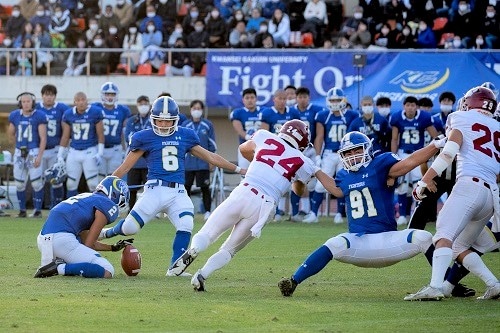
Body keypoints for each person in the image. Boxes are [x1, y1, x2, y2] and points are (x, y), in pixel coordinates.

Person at [168, 120, 332, 291]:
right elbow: (299, 191)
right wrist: (291, 177)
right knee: (229, 249)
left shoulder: (264, 136)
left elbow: (244, 149)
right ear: (303, 142)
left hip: (245, 191)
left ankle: (194, 249)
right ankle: (202, 274)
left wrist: (262, 162)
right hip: (264, 206)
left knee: (208, 233)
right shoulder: (303, 160)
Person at [278, 131, 446, 297]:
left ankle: (447, 284)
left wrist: (434, 146)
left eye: (357, 150)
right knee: (334, 243)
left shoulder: (380, 164)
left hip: (389, 241)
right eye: (348, 152)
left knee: (423, 237)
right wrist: (316, 170)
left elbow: (409, 162)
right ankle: (293, 281)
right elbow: (336, 190)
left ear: (367, 149)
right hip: (359, 244)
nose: (353, 155)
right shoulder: (344, 175)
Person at [99, 96, 245, 277]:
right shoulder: (143, 137)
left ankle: (174, 268)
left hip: (178, 191)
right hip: (154, 190)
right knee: (130, 228)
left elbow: (211, 157)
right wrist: (105, 186)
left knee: (186, 224)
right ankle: (107, 233)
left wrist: (240, 169)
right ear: (153, 119)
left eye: (168, 121)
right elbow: (126, 166)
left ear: (175, 120)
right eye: (159, 120)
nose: (163, 124)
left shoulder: (186, 135)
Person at [405, 86, 500, 301]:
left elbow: (448, 153)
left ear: (471, 102)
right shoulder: (497, 127)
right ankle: (493, 284)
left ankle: (435, 287)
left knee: (442, 236)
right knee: (459, 247)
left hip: (469, 185)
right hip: (491, 195)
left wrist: (425, 179)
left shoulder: (460, 118)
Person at [33, 175, 133, 279]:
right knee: (107, 270)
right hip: (62, 240)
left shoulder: (87, 198)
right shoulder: (107, 204)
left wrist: (112, 248)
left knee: (79, 245)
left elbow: (85, 239)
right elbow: (89, 245)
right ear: (115, 194)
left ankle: (58, 263)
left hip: (44, 240)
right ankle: (58, 268)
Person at [303, 87, 358, 223]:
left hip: (345, 154)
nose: (334, 103)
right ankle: (314, 214)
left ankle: (340, 214)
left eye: (337, 100)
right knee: (321, 185)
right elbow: (319, 137)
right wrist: (317, 155)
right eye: (332, 100)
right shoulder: (323, 115)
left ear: (343, 100)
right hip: (328, 153)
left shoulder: (352, 115)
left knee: (342, 183)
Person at [390, 96, 438, 225]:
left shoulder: (424, 117)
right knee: (402, 185)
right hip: (403, 153)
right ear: (403, 106)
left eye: (413, 105)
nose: (410, 108)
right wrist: (393, 156)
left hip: (418, 155)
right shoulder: (397, 117)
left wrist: (429, 152)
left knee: (419, 185)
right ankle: (401, 214)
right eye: (408, 105)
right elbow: (394, 139)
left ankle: (415, 214)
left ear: (416, 107)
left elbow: (436, 137)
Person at [56, 92, 105, 198]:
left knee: (93, 183)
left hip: (90, 150)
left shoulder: (95, 112)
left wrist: (100, 153)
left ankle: (95, 209)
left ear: (87, 101)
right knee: (71, 184)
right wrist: (60, 155)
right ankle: (70, 210)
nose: (81, 102)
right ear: (74, 102)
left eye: (83, 100)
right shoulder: (69, 114)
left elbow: (100, 134)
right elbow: (65, 136)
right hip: (73, 151)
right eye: (78, 100)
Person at [8, 92, 47, 218]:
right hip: (20, 152)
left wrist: (39, 156)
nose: (26, 104)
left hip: (33, 151)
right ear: (20, 103)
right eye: (23, 102)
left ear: (33, 102)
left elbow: (43, 138)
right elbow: (11, 134)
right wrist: (17, 148)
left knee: (36, 183)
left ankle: (37, 210)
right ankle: (22, 210)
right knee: (19, 183)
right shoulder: (14, 115)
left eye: (28, 101)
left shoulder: (39, 116)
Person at [182, 100, 216, 222]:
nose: (196, 110)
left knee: (205, 188)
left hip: (203, 163)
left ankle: (207, 211)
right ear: (191, 110)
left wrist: (212, 161)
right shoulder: (185, 125)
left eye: (199, 108)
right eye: (194, 108)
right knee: (186, 188)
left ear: (202, 110)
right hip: (188, 164)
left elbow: (212, 144)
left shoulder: (207, 125)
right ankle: (185, 210)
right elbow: (181, 144)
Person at [36, 84, 69, 209]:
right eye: (46, 95)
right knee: (38, 180)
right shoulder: (36, 107)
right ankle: (37, 209)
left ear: (55, 96)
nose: (49, 97)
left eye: (51, 95)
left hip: (56, 149)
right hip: (39, 150)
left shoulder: (62, 108)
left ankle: (57, 207)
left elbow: (67, 129)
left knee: (56, 179)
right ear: (42, 96)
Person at [93, 82, 131, 180]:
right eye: (107, 94)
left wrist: (125, 149)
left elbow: (125, 132)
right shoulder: (95, 108)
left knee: (114, 178)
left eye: (112, 94)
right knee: (99, 178)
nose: (110, 97)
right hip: (99, 148)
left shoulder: (123, 110)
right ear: (102, 95)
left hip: (115, 149)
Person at [125, 95, 152, 209]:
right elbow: (129, 138)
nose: (143, 106)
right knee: (132, 189)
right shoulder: (132, 120)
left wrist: (141, 139)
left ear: (149, 105)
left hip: (149, 160)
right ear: (137, 105)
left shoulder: (153, 120)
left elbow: (154, 137)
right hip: (134, 160)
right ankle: (131, 210)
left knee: (150, 189)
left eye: (145, 103)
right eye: (141, 104)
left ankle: (149, 211)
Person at [230, 87, 261, 170]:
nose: (250, 100)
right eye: (247, 98)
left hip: (261, 147)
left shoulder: (264, 111)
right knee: (244, 173)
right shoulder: (238, 113)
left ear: (256, 99)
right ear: (243, 100)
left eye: (252, 97)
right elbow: (239, 130)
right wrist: (248, 137)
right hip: (245, 147)